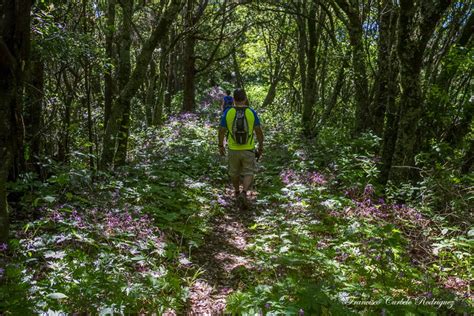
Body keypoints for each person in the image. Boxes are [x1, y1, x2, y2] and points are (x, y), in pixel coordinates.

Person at [218, 89, 264, 206]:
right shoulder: (251, 112)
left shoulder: (228, 112)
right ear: (245, 98)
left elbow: (221, 131)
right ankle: (244, 193)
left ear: (233, 99)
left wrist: (221, 145)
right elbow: (258, 131)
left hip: (233, 149)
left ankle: (237, 192)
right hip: (248, 148)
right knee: (249, 172)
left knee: (234, 173)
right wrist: (260, 147)